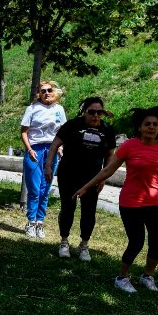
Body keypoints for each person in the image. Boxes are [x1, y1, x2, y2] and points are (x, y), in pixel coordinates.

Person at [74, 106, 158, 293]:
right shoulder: (129, 145)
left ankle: (147, 275)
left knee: (157, 243)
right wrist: (86, 186)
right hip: (131, 201)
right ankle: (122, 277)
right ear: (139, 127)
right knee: (137, 242)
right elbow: (108, 170)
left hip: (156, 201)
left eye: (155, 124)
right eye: (147, 124)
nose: (151, 127)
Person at [45, 97, 115, 261]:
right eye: (92, 112)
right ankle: (64, 241)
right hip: (68, 174)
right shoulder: (72, 125)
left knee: (89, 211)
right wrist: (48, 165)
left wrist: (104, 176)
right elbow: (55, 144)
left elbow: (110, 155)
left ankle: (84, 244)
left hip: (92, 178)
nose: (95, 115)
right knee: (68, 207)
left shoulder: (107, 129)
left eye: (99, 112)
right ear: (85, 112)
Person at [20, 80, 66, 238]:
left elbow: (62, 132)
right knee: (34, 189)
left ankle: (40, 223)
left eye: (49, 90)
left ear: (53, 92)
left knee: (45, 189)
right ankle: (30, 222)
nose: (46, 93)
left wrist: (60, 148)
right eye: (43, 91)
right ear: (38, 93)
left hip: (51, 150)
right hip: (35, 150)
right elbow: (24, 132)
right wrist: (29, 149)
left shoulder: (59, 109)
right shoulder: (32, 109)